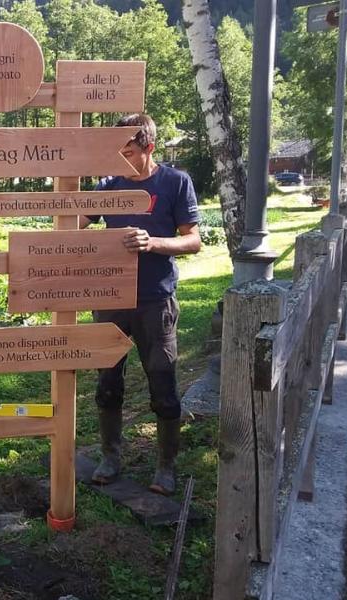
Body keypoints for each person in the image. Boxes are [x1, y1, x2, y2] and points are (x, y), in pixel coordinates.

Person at [80, 113, 201, 495]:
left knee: (162, 383)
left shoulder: (175, 182)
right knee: (107, 383)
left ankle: (166, 467)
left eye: (128, 151)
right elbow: (72, 225)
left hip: (155, 301)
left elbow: (193, 240)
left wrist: (153, 242)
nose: (121, 158)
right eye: (116, 151)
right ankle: (110, 457)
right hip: (109, 300)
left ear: (149, 147)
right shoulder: (107, 186)